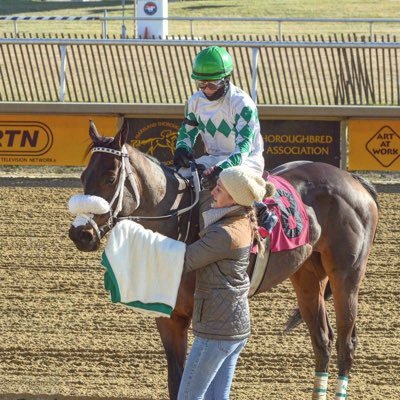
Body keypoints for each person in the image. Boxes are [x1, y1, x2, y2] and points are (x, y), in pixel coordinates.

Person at [178, 165, 268, 400]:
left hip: (216, 331)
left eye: (219, 189)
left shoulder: (223, 233)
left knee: (188, 397)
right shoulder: (243, 219)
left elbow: (183, 261)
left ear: (233, 199)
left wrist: (137, 241)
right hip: (233, 327)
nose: (213, 193)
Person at [173, 45, 265, 190]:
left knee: (226, 178)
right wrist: (182, 148)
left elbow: (243, 148)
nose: (206, 90)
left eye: (212, 85)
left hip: (246, 161)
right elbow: (187, 132)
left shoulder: (243, 104)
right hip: (213, 158)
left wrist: (220, 169)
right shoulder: (195, 101)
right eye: (201, 84)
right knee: (178, 175)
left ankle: (261, 210)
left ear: (226, 79)